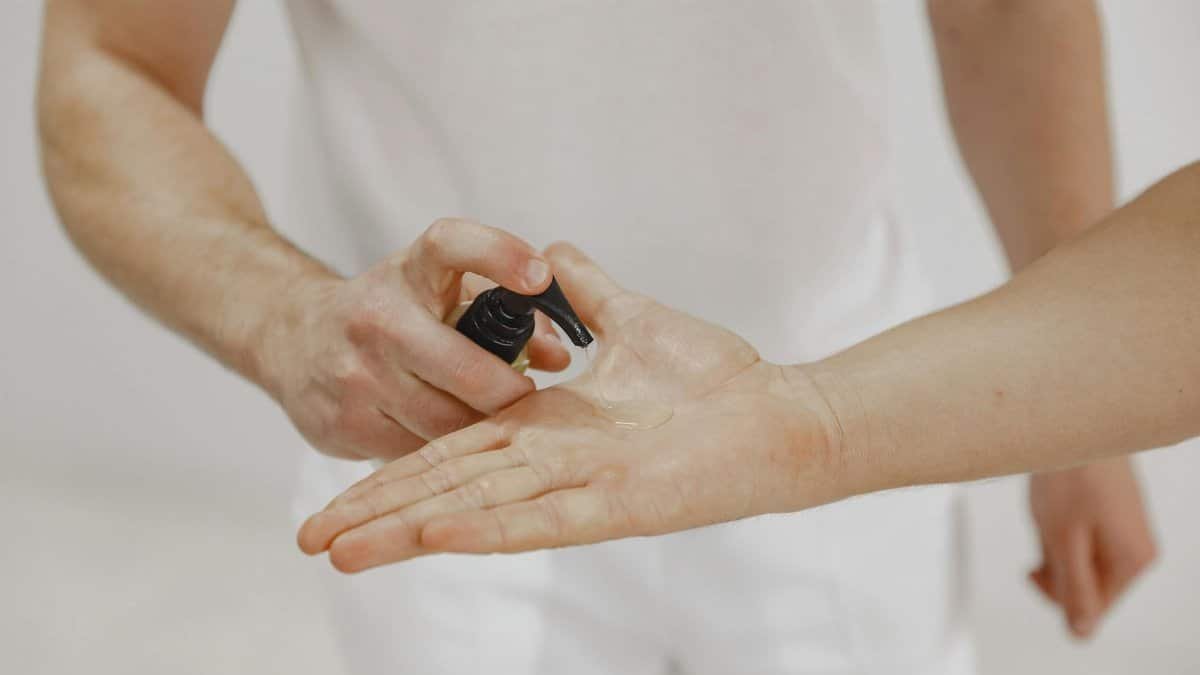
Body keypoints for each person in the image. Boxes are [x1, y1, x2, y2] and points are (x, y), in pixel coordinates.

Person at [36, 1, 1155, 673]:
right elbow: (112, 56)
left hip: (840, 399)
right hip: (446, 457)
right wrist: (288, 320)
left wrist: (1079, 420)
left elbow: (1008, 12)